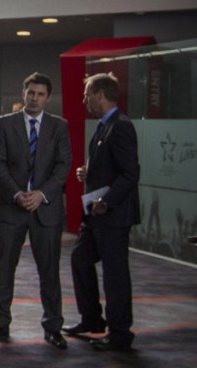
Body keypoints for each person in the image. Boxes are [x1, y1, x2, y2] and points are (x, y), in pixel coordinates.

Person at [0, 73, 71, 349]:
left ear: (47, 97)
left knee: (50, 271)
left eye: (40, 94)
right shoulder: (3, 125)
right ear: (23, 93)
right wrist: (18, 194)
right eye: (30, 92)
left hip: (46, 209)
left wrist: (40, 194)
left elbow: (63, 166)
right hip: (12, 207)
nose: (34, 98)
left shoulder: (59, 126)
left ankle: (54, 327)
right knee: (4, 268)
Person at [62, 72, 140, 351]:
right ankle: (93, 319)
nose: (84, 100)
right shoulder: (104, 126)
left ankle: (120, 334)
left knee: (115, 275)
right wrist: (88, 172)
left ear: (100, 94)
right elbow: (111, 167)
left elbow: (130, 174)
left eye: (86, 94)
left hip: (112, 215)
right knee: (80, 260)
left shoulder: (121, 126)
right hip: (95, 215)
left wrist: (106, 200)